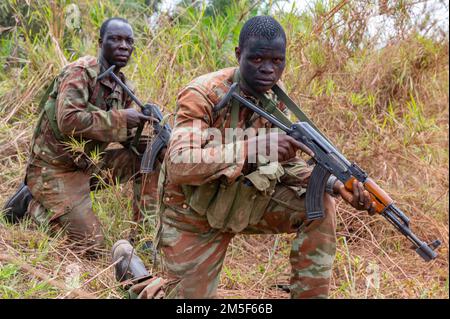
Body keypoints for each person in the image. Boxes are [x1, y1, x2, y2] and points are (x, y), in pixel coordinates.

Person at [113, 15, 375, 299]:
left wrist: (333, 183)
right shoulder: (203, 93)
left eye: (277, 61)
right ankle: (133, 272)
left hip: (244, 198)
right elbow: (179, 164)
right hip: (192, 210)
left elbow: (285, 164)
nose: (268, 70)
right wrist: (254, 147)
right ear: (239, 55)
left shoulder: (275, 98)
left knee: (320, 204)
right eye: (257, 59)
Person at [3, 17, 160, 256]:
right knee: (91, 246)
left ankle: (143, 237)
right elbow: (68, 120)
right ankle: (33, 205)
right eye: (115, 39)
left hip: (87, 165)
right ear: (100, 42)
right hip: (54, 169)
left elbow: (127, 137)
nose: (124, 46)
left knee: (149, 154)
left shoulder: (122, 87)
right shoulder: (80, 73)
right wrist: (121, 117)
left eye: (129, 41)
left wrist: (151, 127)